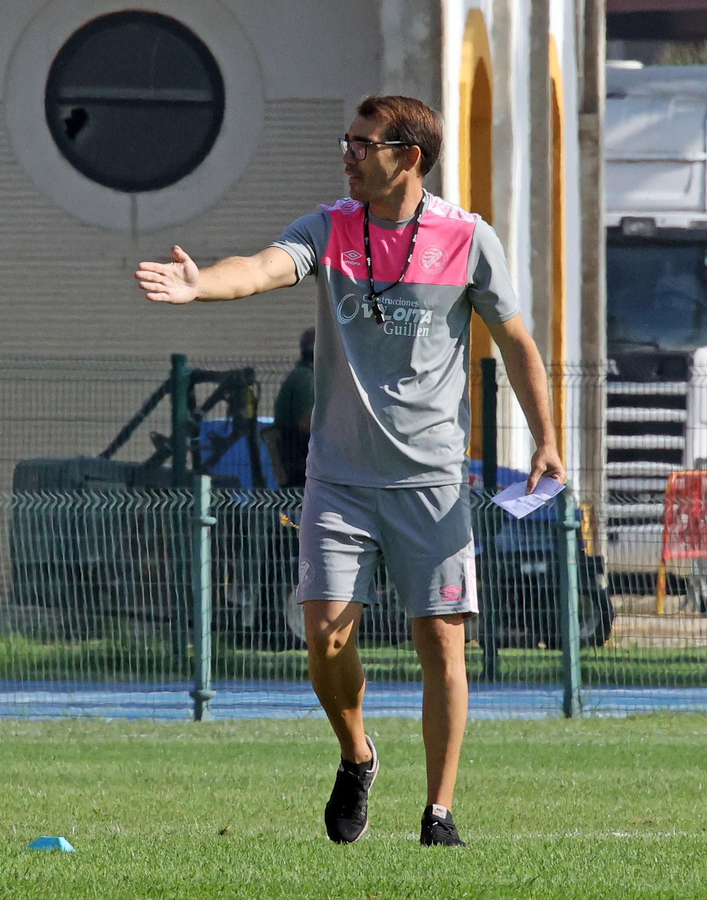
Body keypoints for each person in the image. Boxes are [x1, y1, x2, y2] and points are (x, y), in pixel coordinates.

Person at [135, 95, 564, 847]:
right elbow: (264, 268)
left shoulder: (467, 238)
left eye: (365, 144)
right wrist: (203, 284)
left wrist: (547, 439)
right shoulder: (330, 227)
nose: (349, 153)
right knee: (325, 638)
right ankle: (357, 755)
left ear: (411, 157)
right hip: (337, 479)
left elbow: (517, 342)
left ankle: (438, 812)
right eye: (349, 140)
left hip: (433, 482)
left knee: (441, 643)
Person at [268, 326, 316, 489]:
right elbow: (307, 423)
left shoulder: (302, 375)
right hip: (301, 464)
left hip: (297, 463)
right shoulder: (306, 379)